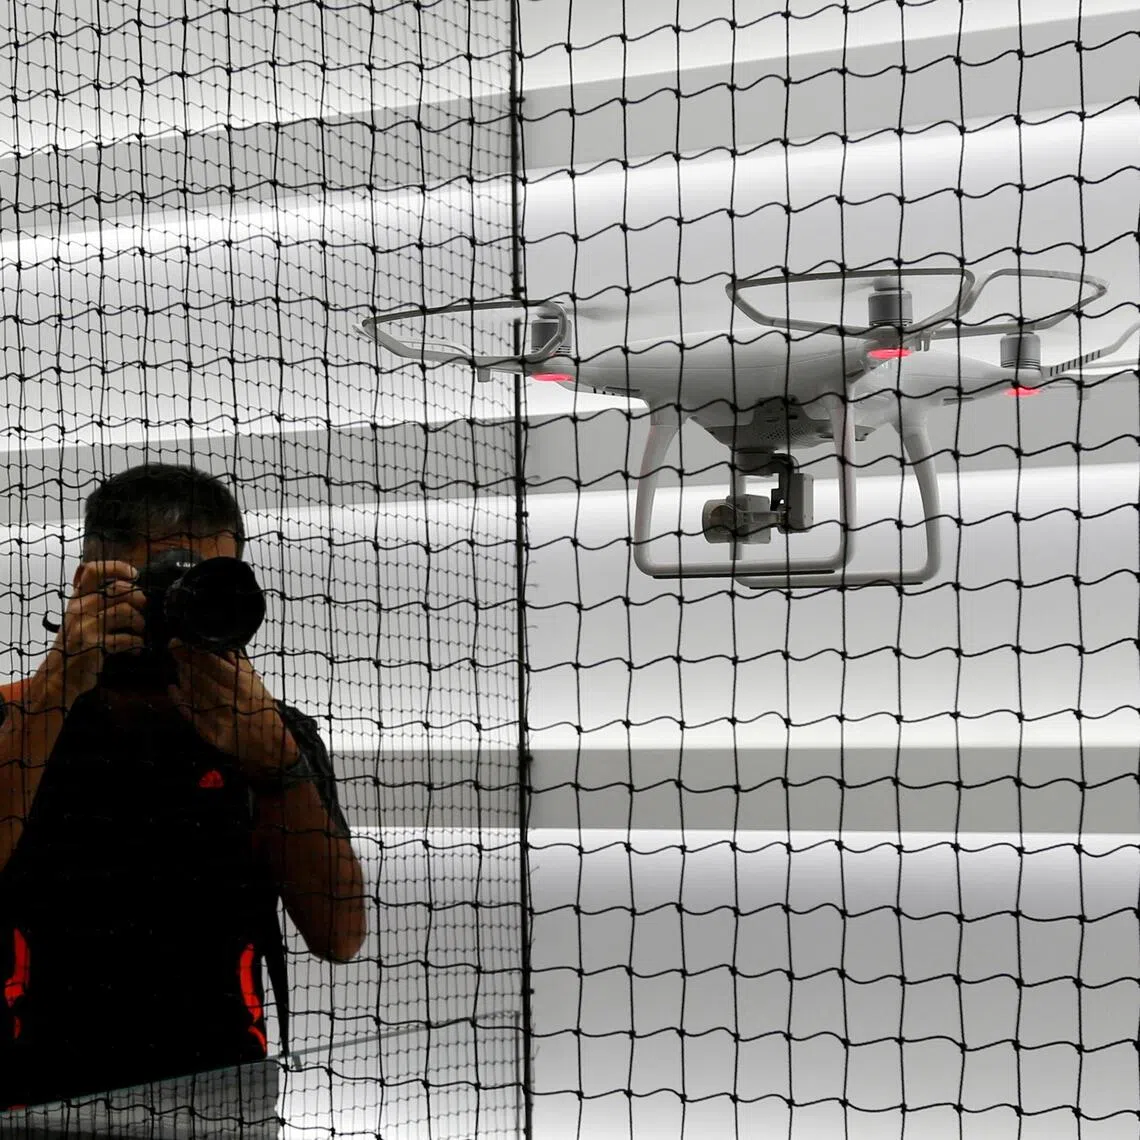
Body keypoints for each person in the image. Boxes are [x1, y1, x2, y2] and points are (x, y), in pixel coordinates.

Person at [0, 463, 367, 1109]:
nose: (173, 606)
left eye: (199, 582)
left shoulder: (269, 731)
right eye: (156, 583)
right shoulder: (14, 717)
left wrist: (277, 765)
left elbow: (339, 936)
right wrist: (58, 688)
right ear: (92, 583)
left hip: (221, 1095)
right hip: (28, 1096)